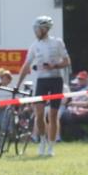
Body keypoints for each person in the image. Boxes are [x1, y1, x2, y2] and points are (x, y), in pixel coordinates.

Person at [15, 15, 70, 156]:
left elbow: (67, 62)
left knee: (53, 115)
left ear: (45, 29)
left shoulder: (57, 42)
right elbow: (26, 66)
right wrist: (17, 85)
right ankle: (42, 140)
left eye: (37, 29)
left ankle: (51, 146)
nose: (35, 31)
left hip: (56, 79)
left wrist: (54, 66)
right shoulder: (34, 45)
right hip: (41, 81)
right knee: (39, 114)